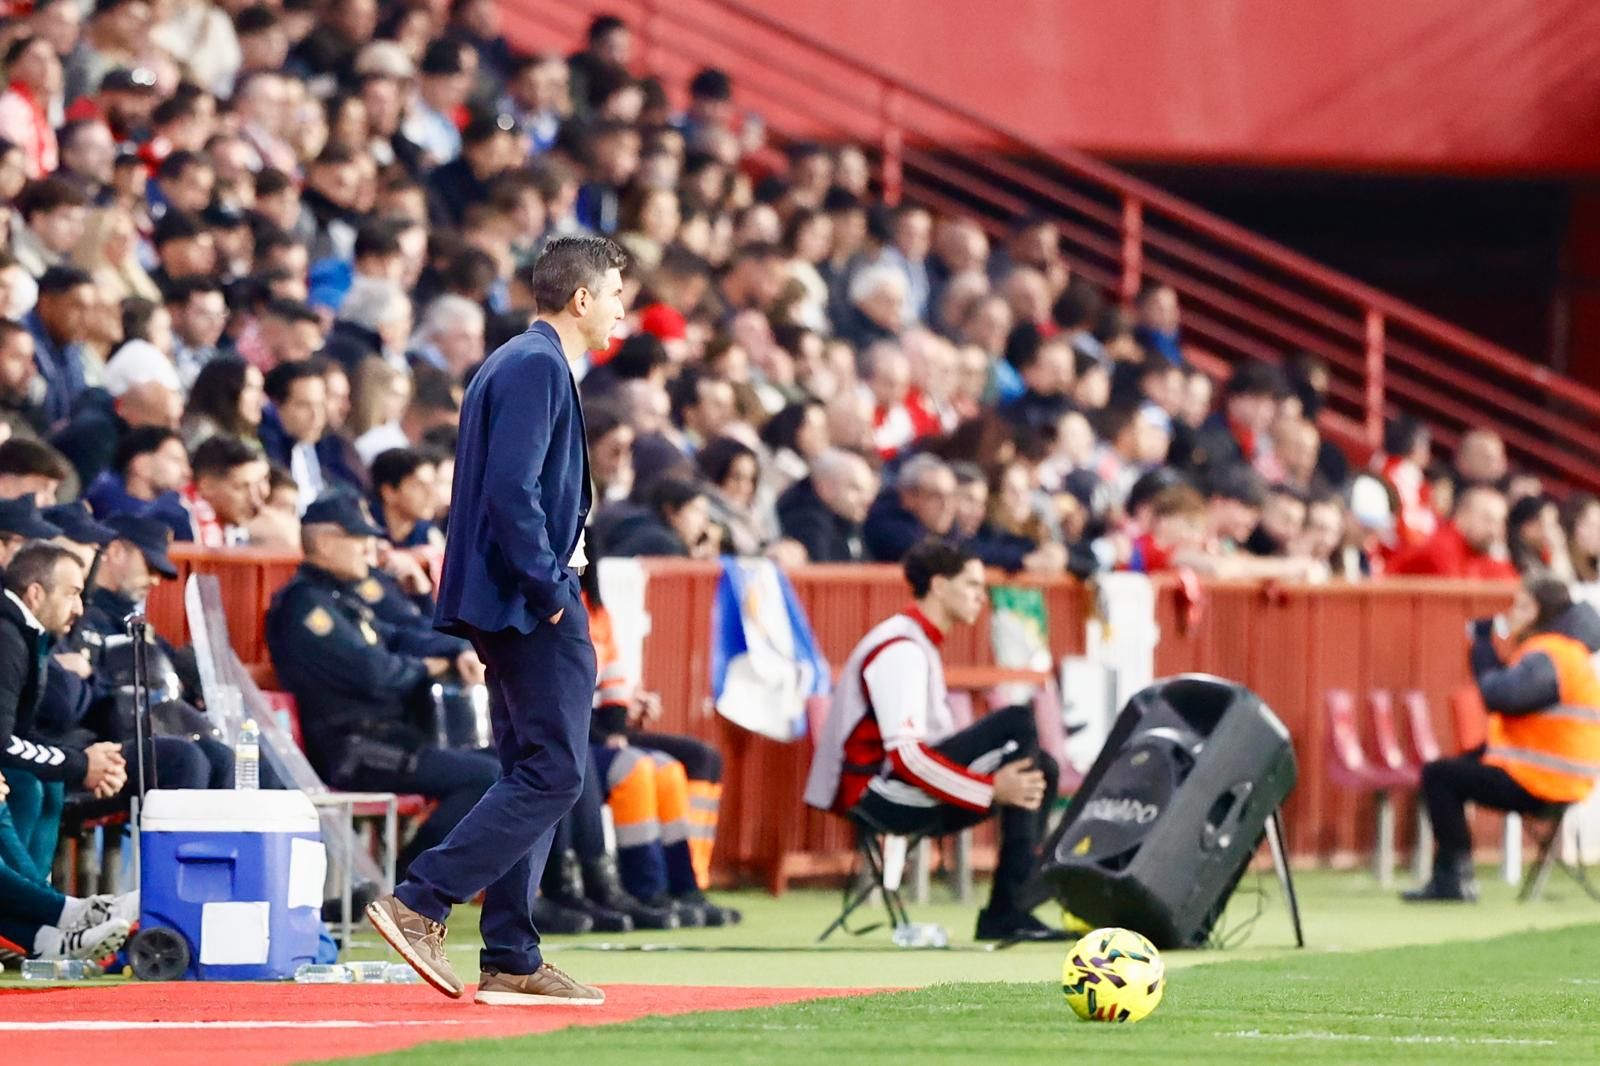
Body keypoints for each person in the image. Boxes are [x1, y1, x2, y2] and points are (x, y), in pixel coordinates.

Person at [366, 236, 626, 1007]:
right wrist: (550, 587)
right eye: (614, 294)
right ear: (581, 298)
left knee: (529, 771)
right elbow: (512, 493)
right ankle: (421, 900)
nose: (619, 309)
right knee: (555, 772)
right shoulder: (538, 365)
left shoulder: (518, 361)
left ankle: (511, 952)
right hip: (529, 598)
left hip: (509, 598)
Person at [804, 539, 1064, 942]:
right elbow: (906, 757)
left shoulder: (917, 642)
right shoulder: (901, 648)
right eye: (972, 585)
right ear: (940, 586)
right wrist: (991, 789)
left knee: (1041, 768)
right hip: (875, 795)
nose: (982, 595)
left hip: (892, 785)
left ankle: (1008, 909)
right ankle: (1010, 909)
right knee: (1016, 720)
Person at [265, 494, 496, 877]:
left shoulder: (339, 598)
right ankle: (409, 883)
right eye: (359, 539)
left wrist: (456, 652)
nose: (369, 550)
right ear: (324, 543)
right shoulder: (304, 608)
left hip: (391, 741)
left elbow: (400, 635)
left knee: (513, 767)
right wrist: (430, 668)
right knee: (485, 779)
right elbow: (375, 673)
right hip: (355, 750)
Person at [1406, 577, 1600, 902]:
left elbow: (1501, 696)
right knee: (1457, 766)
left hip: (1542, 781)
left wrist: (1482, 647)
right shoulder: (1565, 652)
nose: (1513, 613)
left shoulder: (1549, 653)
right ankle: (1453, 875)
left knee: (1439, 776)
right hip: (1558, 776)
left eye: (1523, 605)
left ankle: (1453, 877)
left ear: (1541, 611)